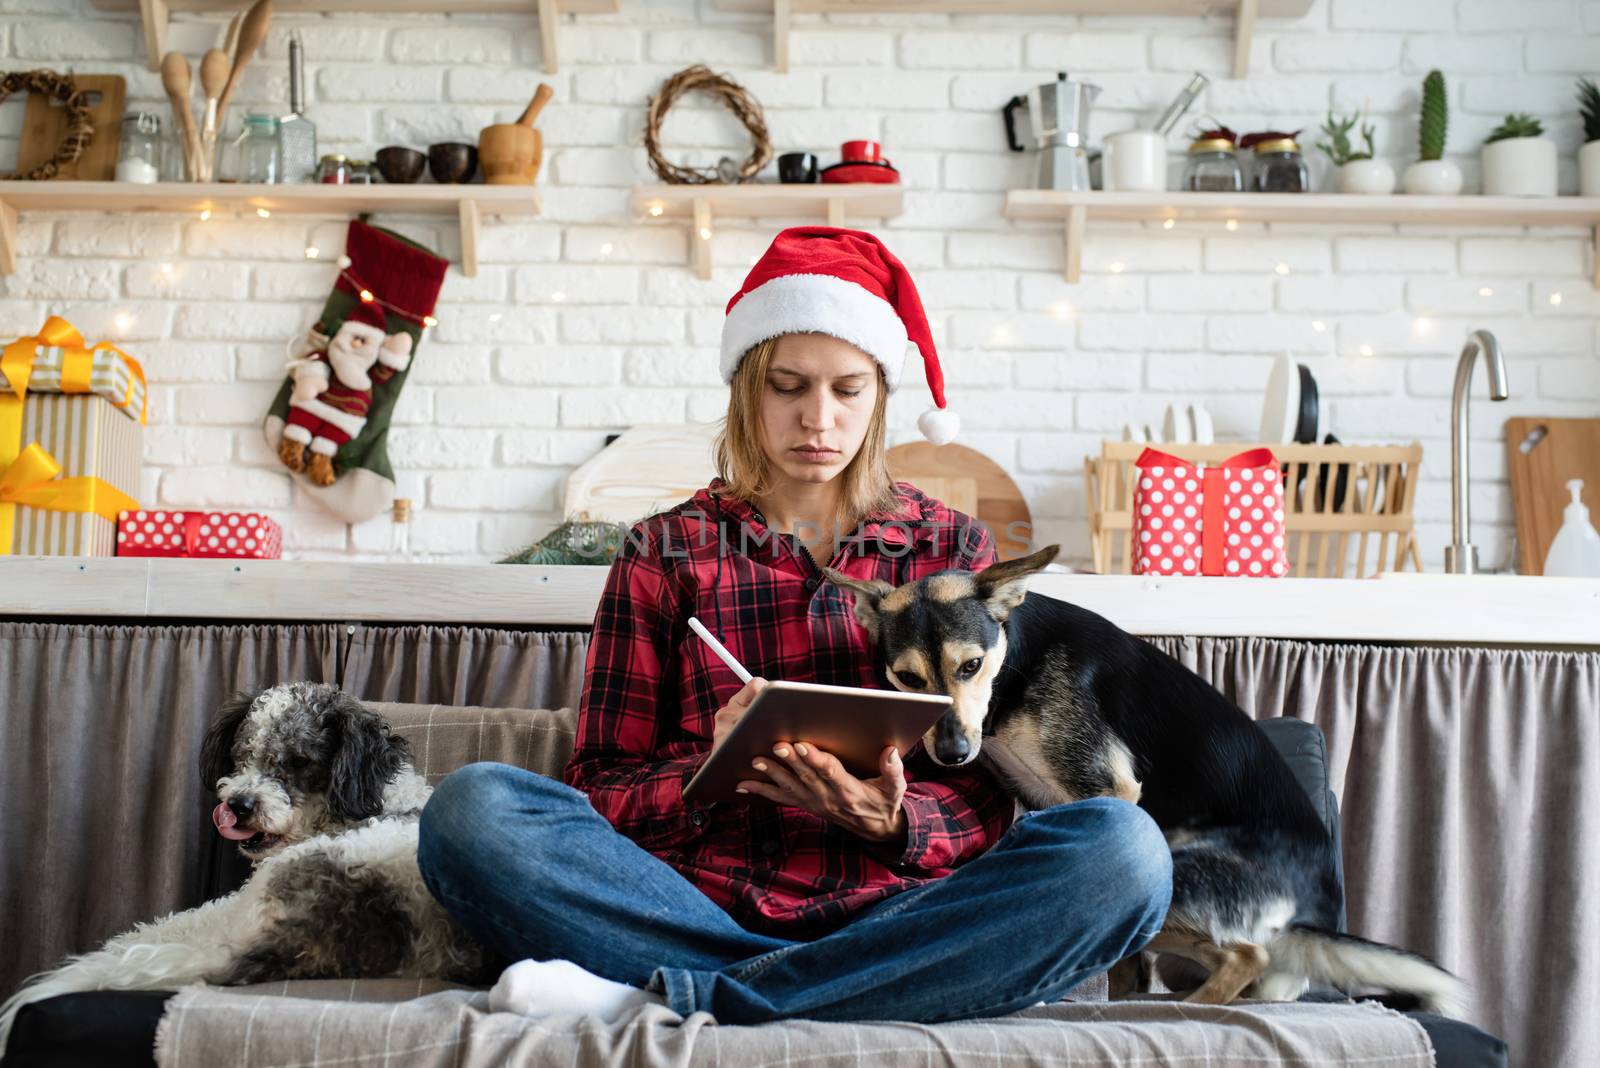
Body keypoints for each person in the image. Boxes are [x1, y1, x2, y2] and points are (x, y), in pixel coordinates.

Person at [415, 227, 1171, 1026]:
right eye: (788, 385)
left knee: (1123, 851)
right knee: (472, 810)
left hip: (904, 914)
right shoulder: (665, 550)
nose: (818, 418)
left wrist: (891, 819)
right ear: (748, 387)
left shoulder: (952, 551)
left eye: (848, 390)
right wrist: (710, 767)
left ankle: (683, 996)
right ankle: (831, 990)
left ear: (880, 396)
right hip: (689, 906)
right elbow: (598, 785)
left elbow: (986, 794)